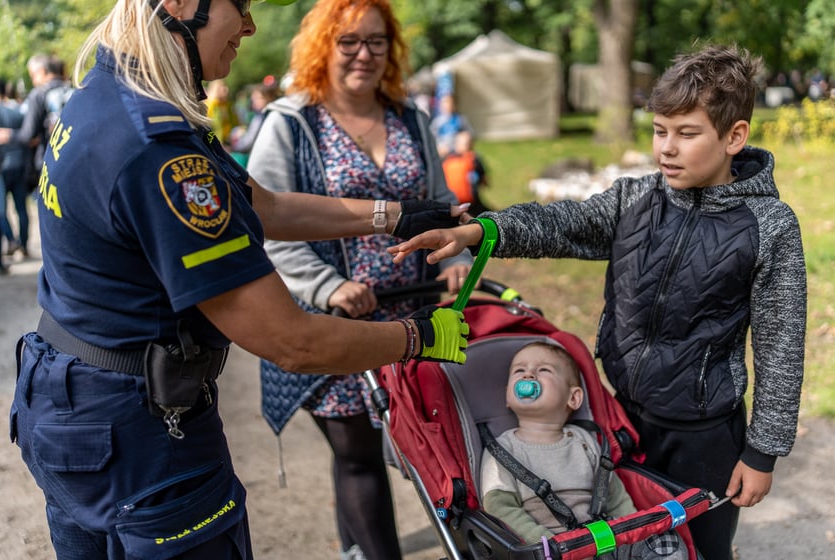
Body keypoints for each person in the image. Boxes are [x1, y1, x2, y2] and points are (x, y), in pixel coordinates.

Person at [8, 1, 472, 558]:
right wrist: (418, 337)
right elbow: (291, 341)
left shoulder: (113, 92)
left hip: (70, 406)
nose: (250, 26)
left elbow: (260, 205)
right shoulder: (158, 151)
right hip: (139, 435)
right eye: (241, 5)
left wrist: (392, 214)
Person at [390, 44, 807, 560]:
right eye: (659, 131)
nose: (667, 149)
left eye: (687, 133)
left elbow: (782, 347)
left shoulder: (769, 227)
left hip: (706, 435)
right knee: (624, 545)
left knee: (699, 551)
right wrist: (481, 231)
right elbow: (558, 223)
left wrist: (762, 453)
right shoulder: (634, 200)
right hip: (622, 419)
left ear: (734, 137)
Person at [246, 1, 473, 558]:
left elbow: (441, 207)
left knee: (412, 445)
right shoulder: (291, 122)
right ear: (323, 45)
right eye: (349, 41)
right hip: (331, 319)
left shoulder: (409, 117)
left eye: (376, 41)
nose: (364, 55)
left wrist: (451, 261)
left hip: (410, 313)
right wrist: (327, 286)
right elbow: (264, 224)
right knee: (359, 455)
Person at [480, 341, 686, 559]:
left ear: (574, 397)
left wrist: (633, 532)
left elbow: (614, 495)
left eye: (543, 370)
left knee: (665, 542)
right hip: (551, 549)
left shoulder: (584, 440)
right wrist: (545, 544)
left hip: (604, 540)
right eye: (519, 370)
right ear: (507, 397)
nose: (528, 375)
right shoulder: (502, 450)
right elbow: (499, 507)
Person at [0, 54, 69, 257]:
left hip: (47, 162)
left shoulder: (39, 94)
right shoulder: (73, 88)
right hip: (74, 160)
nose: (34, 80)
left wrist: (8, 135)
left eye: (33, 76)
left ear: (42, 72)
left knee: (48, 213)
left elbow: (29, 134)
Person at [0, 78, 29, 262]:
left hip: (0, 169)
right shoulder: (17, 111)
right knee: (21, 208)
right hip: (19, 165)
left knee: (0, 210)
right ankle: (23, 244)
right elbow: (28, 136)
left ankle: (10, 240)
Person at [229, 81, 280, 165]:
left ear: (268, 98)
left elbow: (249, 142)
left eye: (258, 98)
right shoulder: (273, 113)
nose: (254, 101)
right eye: (253, 98)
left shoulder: (261, 116)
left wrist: (233, 147)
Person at [442, 129, 490, 216]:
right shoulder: (473, 158)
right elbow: (485, 181)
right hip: (471, 203)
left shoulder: (446, 160)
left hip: (451, 202)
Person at [429, 93, 472, 158]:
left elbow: (469, 134)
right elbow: (431, 137)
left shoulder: (460, 119)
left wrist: (463, 142)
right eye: (444, 102)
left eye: (450, 102)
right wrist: (439, 146)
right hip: (441, 150)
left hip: (457, 150)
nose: (448, 105)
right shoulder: (437, 121)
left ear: (455, 104)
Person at [206, 78, 239, 146]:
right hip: (216, 144)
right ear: (215, 89)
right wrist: (213, 143)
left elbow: (235, 123)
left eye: (226, 86)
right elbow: (207, 128)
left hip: (228, 142)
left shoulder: (228, 105)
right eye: (223, 87)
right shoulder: (210, 106)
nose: (226, 89)